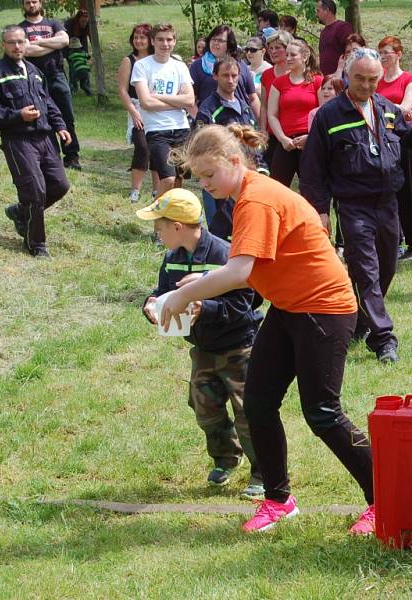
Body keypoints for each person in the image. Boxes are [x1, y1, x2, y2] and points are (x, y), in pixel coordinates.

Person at [158, 123, 376, 536]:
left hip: (324, 310)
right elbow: (245, 269)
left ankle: (385, 498)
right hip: (290, 307)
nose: (205, 185)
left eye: (209, 175)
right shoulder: (245, 195)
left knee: (323, 412)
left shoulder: (255, 199)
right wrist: (199, 284)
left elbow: (241, 270)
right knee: (258, 401)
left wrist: (182, 297)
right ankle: (278, 500)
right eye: (199, 177)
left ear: (235, 162)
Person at [300, 48, 412, 363]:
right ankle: (383, 338)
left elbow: (411, 143)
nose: (366, 85)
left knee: (387, 266)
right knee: (367, 269)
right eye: (360, 78)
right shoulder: (329, 116)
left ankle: (359, 322)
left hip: (388, 203)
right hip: (352, 204)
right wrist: (319, 210)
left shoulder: (387, 109)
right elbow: (313, 171)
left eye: (373, 79)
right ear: (347, 76)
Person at [137, 188, 265, 497]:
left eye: (159, 226)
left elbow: (243, 305)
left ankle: (264, 472)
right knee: (204, 405)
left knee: (249, 411)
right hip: (203, 348)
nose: (157, 231)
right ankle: (225, 458)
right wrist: (152, 304)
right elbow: (165, 291)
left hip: (238, 346)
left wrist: (203, 309)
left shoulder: (225, 255)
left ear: (177, 227)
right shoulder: (172, 259)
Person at [0, 24, 71, 258]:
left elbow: (48, 102)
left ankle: (21, 213)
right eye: (12, 42)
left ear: (26, 43)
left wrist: (60, 126)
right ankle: (36, 245)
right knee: (35, 191)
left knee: (60, 185)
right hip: (18, 140)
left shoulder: (33, 70)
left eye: (21, 41)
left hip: (45, 137)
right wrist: (17, 115)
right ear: (4, 45)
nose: (17, 46)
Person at [196, 56, 269, 241]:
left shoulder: (244, 106)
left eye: (234, 75)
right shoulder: (208, 109)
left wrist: (262, 168)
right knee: (222, 231)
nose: (230, 80)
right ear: (215, 77)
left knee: (248, 225)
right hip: (222, 180)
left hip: (248, 176)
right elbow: (204, 149)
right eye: (225, 75)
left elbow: (252, 142)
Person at [130, 23, 194, 196]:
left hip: (181, 127)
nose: (165, 44)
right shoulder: (142, 66)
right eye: (160, 39)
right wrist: (177, 101)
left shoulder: (180, 66)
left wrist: (157, 96)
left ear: (174, 41)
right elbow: (146, 103)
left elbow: (189, 99)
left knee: (180, 179)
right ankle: (157, 214)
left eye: (169, 39)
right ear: (152, 41)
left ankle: (173, 216)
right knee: (168, 179)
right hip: (157, 130)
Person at [20, 0, 81, 170]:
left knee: (67, 116)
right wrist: (52, 45)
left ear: (40, 3)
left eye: (34, 1)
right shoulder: (20, 28)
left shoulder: (53, 23)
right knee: (41, 118)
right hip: (33, 79)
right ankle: (50, 156)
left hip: (57, 75)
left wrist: (37, 42)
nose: (31, 5)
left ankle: (71, 156)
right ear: (23, 6)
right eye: (27, 2)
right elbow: (26, 50)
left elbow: (65, 41)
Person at [376, 35, 412, 261]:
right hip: (382, 141)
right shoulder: (377, 81)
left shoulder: (409, 80)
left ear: (399, 54)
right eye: (380, 53)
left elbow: (405, 108)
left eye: (388, 52)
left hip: (404, 141)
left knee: (408, 192)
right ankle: (395, 241)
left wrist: (383, 108)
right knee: (387, 193)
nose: (383, 57)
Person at [267, 39, 322, 187]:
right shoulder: (279, 83)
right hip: (286, 142)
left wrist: (310, 137)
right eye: (287, 55)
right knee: (276, 188)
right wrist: (282, 138)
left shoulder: (317, 82)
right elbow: (271, 114)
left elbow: (323, 115)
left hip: (310, 142)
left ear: (305, 56)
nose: (288, 58)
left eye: (293, 55)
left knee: (312, 189)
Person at [117, 23, 159, 203]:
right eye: (135, 37)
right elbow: (122, 90)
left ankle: (158, 190)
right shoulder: (129, 61)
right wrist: (134, 113)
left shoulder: (157, 59)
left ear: (150, 39)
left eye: (142, 37)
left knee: (158, 148)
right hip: (137, 108)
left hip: (157, 109)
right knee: (142, 147)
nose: (138, 41)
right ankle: (135, 189)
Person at [189, 25, 259, 118]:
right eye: (213, 39)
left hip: (241, 121)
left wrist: (260, 127)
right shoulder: (198, 66)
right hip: (213, 123)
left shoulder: (240, 64)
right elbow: (190, 101)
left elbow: (253, 98)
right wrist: (202, 124)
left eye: (221, 41)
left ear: (229, 44)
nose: (215, 43)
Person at [259, 30, 293, 167]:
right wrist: (262, 131)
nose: (273, 51)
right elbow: (264, 106)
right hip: (273, 134)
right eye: (271, 48)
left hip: (295, 134)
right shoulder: (266, 75)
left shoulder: (298, 74)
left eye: (278, 47)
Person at [316, 0, 353, 76]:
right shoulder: (323, 31)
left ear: (326, 10)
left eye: (318, 11)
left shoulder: (342, 27)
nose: (316, 14)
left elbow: (351, 51)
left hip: (341, 78)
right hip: (328, 79)